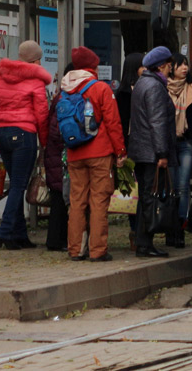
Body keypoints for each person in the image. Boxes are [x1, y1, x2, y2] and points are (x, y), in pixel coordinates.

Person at [0, 40, 51, 250]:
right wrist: (45, 141)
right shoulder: (35, 79)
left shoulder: (1, 76)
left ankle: (18, 235)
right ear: (35, 59)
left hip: (2, 133)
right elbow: (41, 113)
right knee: (19, 186)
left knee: (16, 184)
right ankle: (4, 232)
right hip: (24, 134)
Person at [61, 46, 125, 262]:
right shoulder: (100, 88)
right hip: (99, 153)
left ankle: (75, 249)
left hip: (74, 153)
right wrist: (120, 151)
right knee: (98, 201)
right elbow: (113, 123)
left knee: (77, 201)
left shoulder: (65, 89)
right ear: (93, 66)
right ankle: (97, 251)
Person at [128, 46, 176, 257]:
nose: (171, 69)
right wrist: (162, 154)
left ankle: (142, 241)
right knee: (150, 197)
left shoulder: (142, 83)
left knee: (145, 197)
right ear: (162, 66)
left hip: (141, 150)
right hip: (151, 153)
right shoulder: (155, 87)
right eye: (169, 66)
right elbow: (157, 122)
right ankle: (145, 244)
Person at [165, 53, 192, 248]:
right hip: (169, 143)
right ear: (172, 68)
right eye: (180, 65)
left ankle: (181, 224)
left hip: (186, 142)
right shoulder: (164, 88)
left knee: (183, 185)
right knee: (170, 186)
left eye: (186, 65)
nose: (184, 68)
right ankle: (170, 227)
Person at [116, 52, 145, 246]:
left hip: (138, 146)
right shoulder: (124, 94)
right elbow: (120, 122)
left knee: (139, 190)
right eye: (144, 66)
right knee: (132, 191)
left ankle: (139, 231)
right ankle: (135, 231)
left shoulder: (140, 89)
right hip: (130, 147)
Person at [43, 63, 70, 253]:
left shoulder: (59, 97)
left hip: (55, 156)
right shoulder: (62, 98)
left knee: (60, 199)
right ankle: (55, 240)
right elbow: (56, 132)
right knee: (60, 199)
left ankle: (58, 239)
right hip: (58, 157)